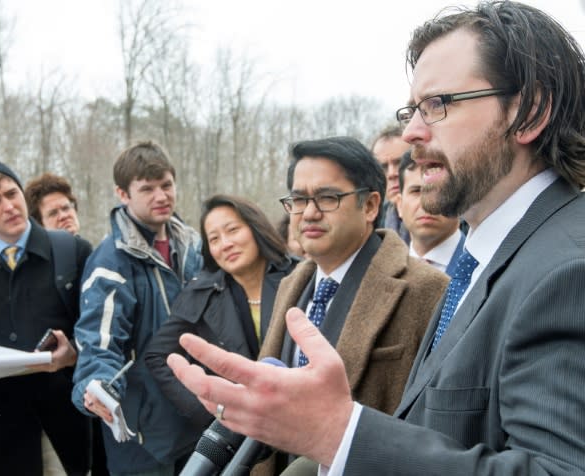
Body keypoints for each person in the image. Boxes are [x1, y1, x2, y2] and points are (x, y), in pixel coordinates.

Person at [168, 2, 585, 475]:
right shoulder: (488, 259)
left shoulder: (569, 270)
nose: (410, 132)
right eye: (412, 109)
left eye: (438, 105)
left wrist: (337, 434)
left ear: (528, 111)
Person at [260, 137, 447, 415]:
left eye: (327, 198)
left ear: (370, 206)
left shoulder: (427, 289)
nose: (310, 213)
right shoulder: (290, 286)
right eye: (299, 199)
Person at [0, 160, 93, 476]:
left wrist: (73, 355)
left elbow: (98, 332)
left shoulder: (73, 251)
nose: (9, 206)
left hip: (67, 423)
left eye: (11, 193)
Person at [72, 141, 203, 476]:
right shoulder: (110, 262)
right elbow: (98, 341)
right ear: (123, 194)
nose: (161, 196)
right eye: (147, 189)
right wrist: (95, 383)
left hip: (198, 417)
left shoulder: (194, 246)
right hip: (143, 436)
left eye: (166, 185)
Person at [145, 194, 298, 427]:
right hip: (243, 432)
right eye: (214, 239)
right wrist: (212, 411)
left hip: (300, 417)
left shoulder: (300, 276)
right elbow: (158, 356)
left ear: (256, 228)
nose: (225, 244)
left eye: (233, 230)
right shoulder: (201, 293)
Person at [25, 172, 108, 476]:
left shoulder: (100, 255)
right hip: (60, 396)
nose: (64, 216)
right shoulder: (39, 270)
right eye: (53, 213)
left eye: (67, 207)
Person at [396, 150, 464, 276]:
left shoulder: (480, 264)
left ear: (459, 201)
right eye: (416, 191)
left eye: (437, 190)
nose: (425, 203)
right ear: (399, 205)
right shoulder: (386, 271)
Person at [371, 124, 411, 243]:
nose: (391, 173)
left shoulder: (456, 221)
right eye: (383, 167)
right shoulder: (370, 225)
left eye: (399, 163)